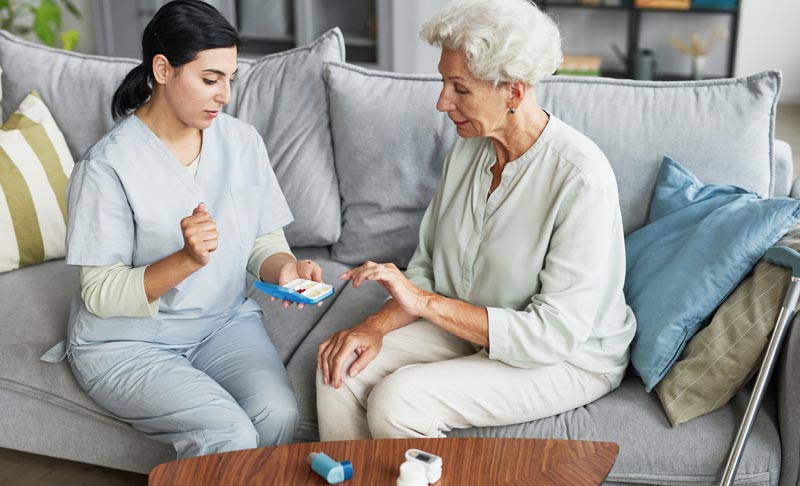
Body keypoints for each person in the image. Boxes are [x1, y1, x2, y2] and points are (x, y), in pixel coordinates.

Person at [316, 0, 637, 440]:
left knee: (400, 400)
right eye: (443, 82)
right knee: (340, 369)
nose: (442, 102)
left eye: (459, 88)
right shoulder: (469, 149)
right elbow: (427, 272)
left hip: (566, 357)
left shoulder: (581, 179)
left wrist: (424, 304)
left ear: (514, 93)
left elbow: (553, 334)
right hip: (468, 328)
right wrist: (371, 327)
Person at [41, 0, 322, 458]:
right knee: (228, 433)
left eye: (230, 79)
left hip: (222, 324)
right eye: (210, 80)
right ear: (163, 69)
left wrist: (285, 269)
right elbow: (102, 293)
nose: (225, 95)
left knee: (277, 413)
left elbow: (263, 240)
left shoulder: (242, 141)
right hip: (127, 342)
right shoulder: (106, 167)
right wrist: (187, 260)